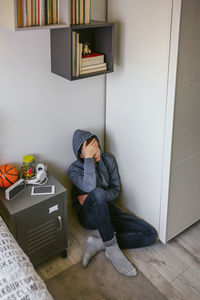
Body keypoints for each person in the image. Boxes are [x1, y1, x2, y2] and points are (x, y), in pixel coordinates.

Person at [67, 129, 157, 277]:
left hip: (108, 209)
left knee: (150, 234)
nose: (96, 154)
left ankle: (100, 244)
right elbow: (90, 187)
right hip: (88, 215)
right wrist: (89, 161)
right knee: (97, 192)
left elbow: (116, 190)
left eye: (97, 149)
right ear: (80, 154)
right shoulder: (74, 170)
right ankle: (113, 249)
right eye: (90, 152)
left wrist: (100, 197)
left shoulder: (108, 160)